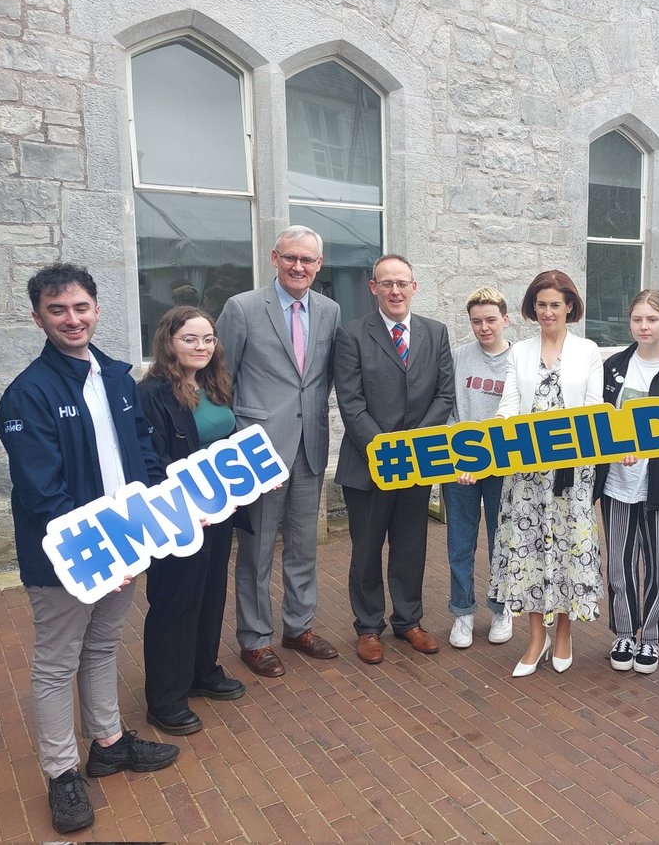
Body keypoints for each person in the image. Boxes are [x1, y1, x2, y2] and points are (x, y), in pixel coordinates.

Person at [0, 264, 178, 836]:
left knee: (102, 648)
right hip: (67, 560)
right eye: (57, 310)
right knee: (57, 662)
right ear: (38, 318)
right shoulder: (28, 394)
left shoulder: (118, 378)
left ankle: (109, 743)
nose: (71, 319)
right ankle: (61, 772)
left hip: (123, 542)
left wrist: (145, 524)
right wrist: (99, 554)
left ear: (96, 309)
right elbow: (42, 493)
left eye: (80, 308)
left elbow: (143, 457)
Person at [217, 226, 342, 678]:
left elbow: (321, 377)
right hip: (258, 450)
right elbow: (221, 378)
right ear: (274, 258)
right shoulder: (243, 308)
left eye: (308, 260)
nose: (299, 267)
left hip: (309, 447)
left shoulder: (329, 311)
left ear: (319, 265)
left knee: (304, 546)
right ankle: (254, 638)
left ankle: (299, 627)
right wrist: (234, 440)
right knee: (256, 549)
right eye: (291, 258)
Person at [334, 254, 455, 664]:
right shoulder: (351, 335)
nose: (395, 291)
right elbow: (350, 403)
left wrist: (413, 447)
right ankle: (368, 627)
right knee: (365, 549)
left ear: (414, 287)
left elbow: (444, 396)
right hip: (367, 465)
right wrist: (385, 449)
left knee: (410, 547)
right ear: (373, 288)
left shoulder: (435, 333)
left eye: (402, 283)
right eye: (386, 283)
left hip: (417, 464)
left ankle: (409, 621)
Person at [489, 270, 603, 677]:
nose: (548, 311)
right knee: (529, 550)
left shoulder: (588, 351)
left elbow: (592, 411)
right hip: (524, 474)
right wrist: (497, 434)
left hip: (571, 473)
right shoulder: (518, 351)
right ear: (532, 308)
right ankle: (536, 637)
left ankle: (565, 634)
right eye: (541, 304)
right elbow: (508, 405)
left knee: (569, 549)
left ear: (569, 306)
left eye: (556, 304)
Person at [139, 306, 247, 737]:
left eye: (208, 339)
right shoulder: (151, 394)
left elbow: (228, 441)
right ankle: (165, 698)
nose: (201, 347)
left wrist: (255, 477)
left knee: (209, 593)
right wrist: (192, 495)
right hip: (179, 514)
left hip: (219, 512)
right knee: (174, 601)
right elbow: (152, 461)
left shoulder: (214, 383)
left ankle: (203, 670)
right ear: (169, 342)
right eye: (190, 339)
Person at [595, 290, 659, 675]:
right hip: (618, 485)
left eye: (652, 320)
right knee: (620, 564)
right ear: (630, 323)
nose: (644, 326)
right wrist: (611, 450)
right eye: (638, 319)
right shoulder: (614, 367)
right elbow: (600, 422)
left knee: (658, 564)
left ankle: (652, 637)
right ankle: (624, 631)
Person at [442, 287, 514, 649]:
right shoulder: (458, 357)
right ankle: (463, 612)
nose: (484, 327)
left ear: (505, 319)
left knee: (502, 540)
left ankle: (501, 608)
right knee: (460, 541)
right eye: (476, 321)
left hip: (505, 466)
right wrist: (464, 455)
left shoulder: (520, 360)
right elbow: (449, 409)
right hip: (462, 467)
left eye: (490, 320)